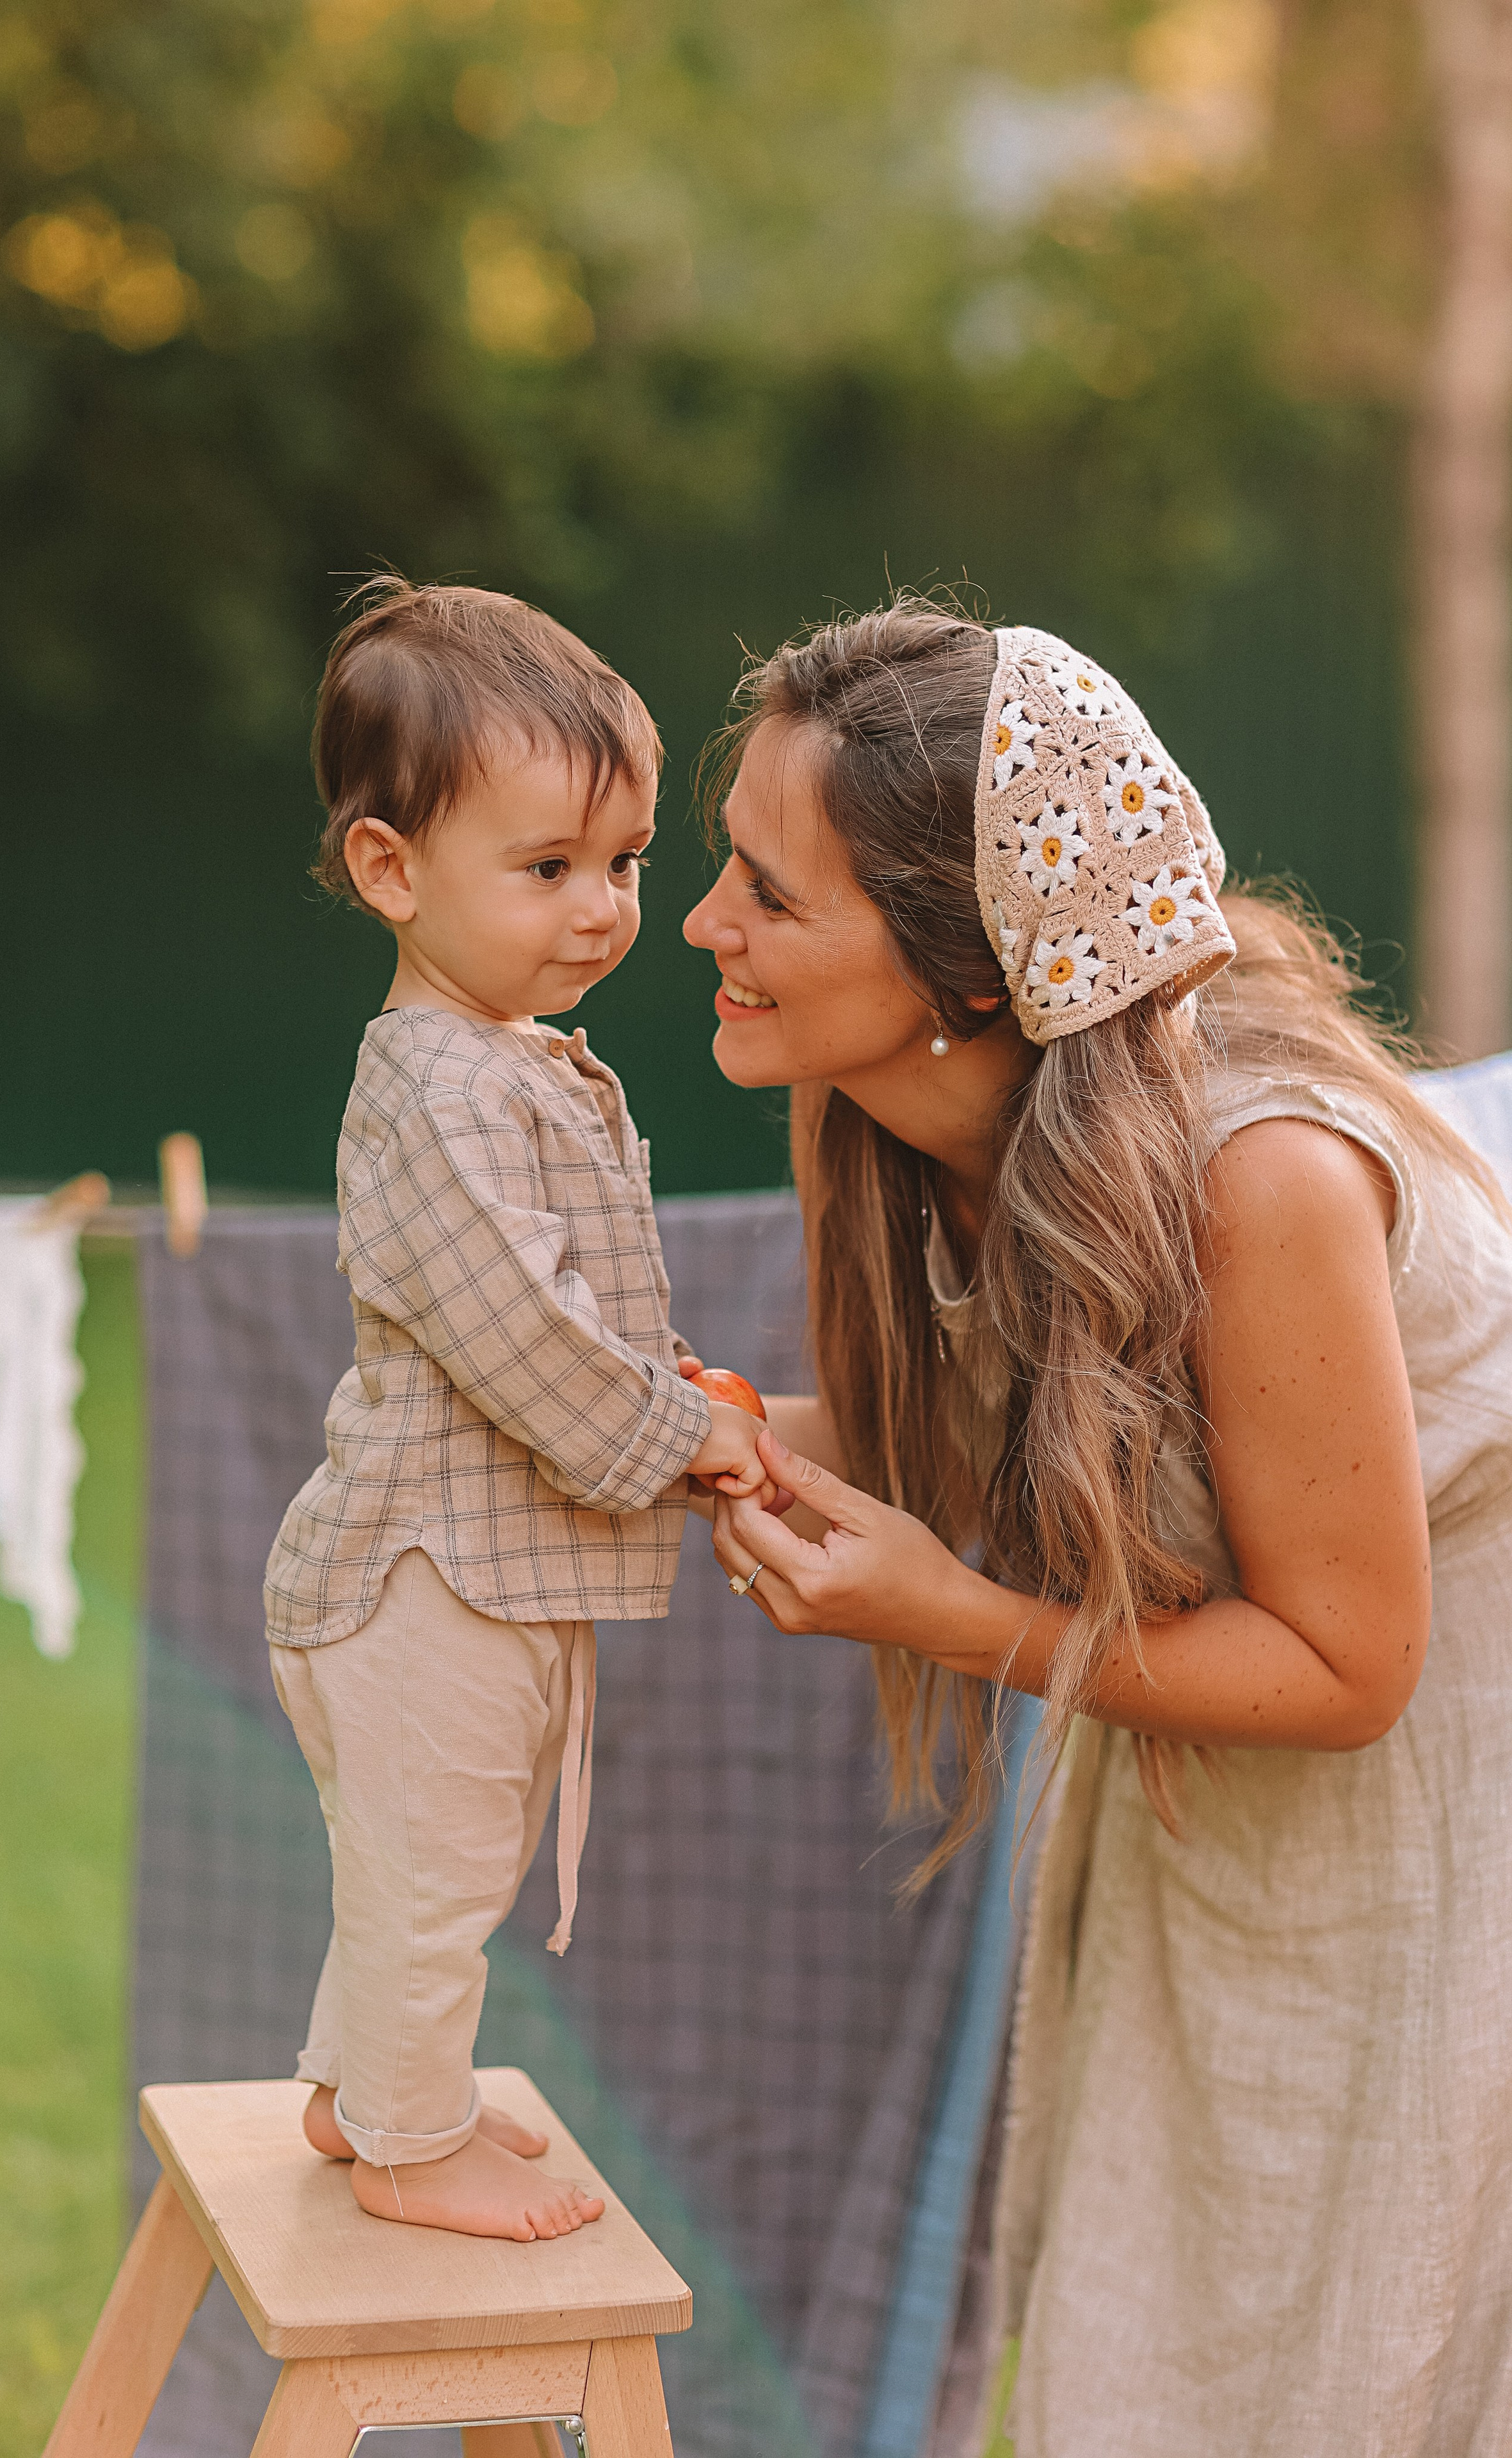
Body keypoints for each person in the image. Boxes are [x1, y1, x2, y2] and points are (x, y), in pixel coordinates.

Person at [684, 599, 1512, 2454]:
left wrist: (950, 1615)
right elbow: (981, 1445)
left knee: (1364, 2354)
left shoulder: (1257, 1177)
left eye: (769, 893)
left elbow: (1351, 1663)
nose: (704, 924)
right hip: (1216, 1793)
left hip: (1453, 1821)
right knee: (1169, 2334)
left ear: (969, 975)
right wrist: (669, 1430)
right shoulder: (924, 1123)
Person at [263, 581, 778, 2242]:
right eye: (548, 868)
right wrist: (675, 1434)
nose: (603, 910)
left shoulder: (502, 1064)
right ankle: (414, 2148)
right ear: (390, 870)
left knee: (426, 1858)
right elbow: (527, 1341)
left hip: (477, 1570)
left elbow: (569, 1303)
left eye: (624, 864)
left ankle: (362, 2093)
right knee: (439, 1870)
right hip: (428, 1578)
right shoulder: (442, 1093)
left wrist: (671, 1383)